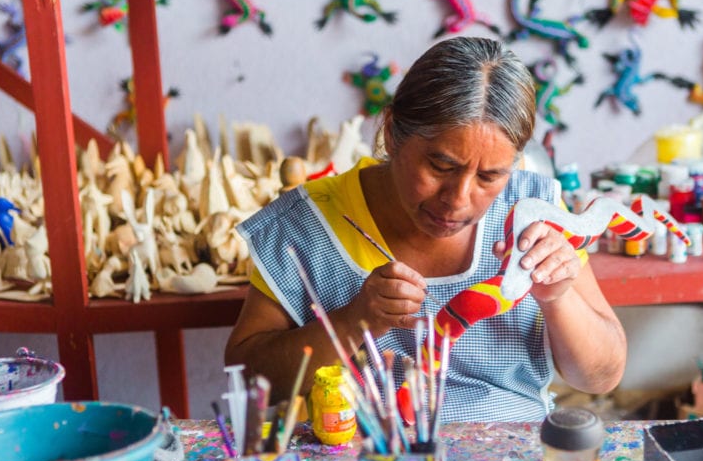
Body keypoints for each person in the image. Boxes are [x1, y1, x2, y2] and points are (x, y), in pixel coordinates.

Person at [225, 36, 625, 422]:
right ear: (392, 134)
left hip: (511, 458)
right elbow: (246, 379)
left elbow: (601, 377)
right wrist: (352, 322)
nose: (458, 198)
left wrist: (558, 298)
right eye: (441, 167)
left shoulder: (531, 213)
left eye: (489, 176)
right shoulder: (307, 223)